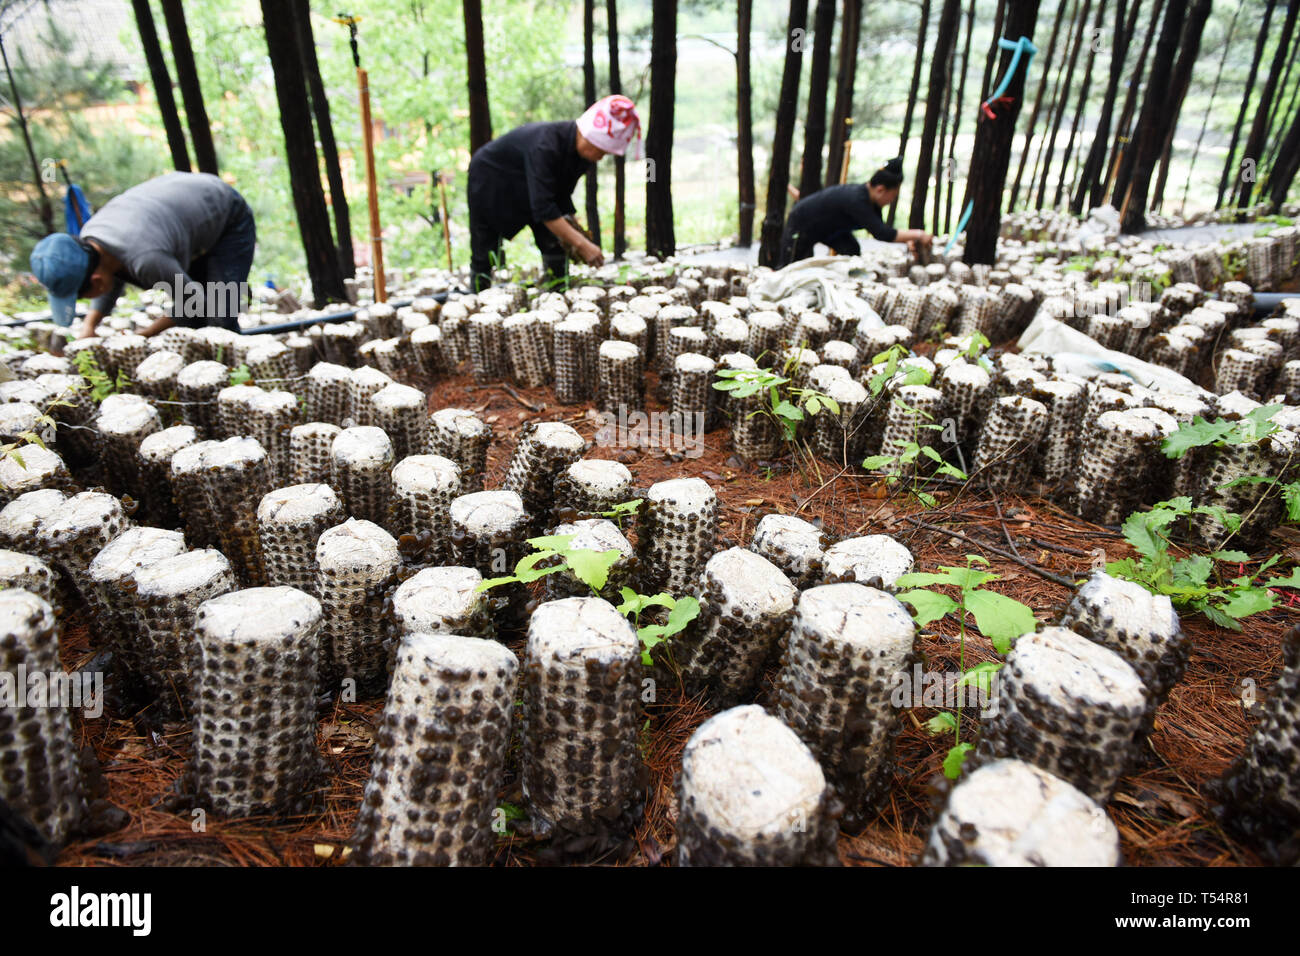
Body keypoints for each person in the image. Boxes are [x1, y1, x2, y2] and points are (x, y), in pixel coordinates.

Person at [29, 171, 257, 341]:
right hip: (183, 217)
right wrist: (89, 326)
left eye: (84, 295)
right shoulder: (94, 240)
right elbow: (111, 274)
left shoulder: (147, 259)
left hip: (226, 214)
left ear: (95, 282)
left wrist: (146, 334)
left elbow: (195, 304)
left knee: (219, 320)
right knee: (196, 321)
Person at [467, 95, 641, 292]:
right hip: (490, 179)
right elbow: (544, 208)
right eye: (600, 150)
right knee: (485, 248)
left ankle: (557, 291)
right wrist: (582, 244)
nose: (601, 157)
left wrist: (573, 230)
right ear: (588, 136)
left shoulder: (581, 157)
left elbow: (560, 197)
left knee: (554, 241)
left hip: (532, 188)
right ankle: (478, 297)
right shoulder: (546, 145)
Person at [777, 157, 933, 267]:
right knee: (790, 266)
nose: (891, 201)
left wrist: (908, 239)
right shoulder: (857, 200)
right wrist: (918, 234)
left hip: (831, 230)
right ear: (880, 190)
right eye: (892, 196)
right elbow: (883, 233)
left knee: (851, 251)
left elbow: (881, 229)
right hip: (802, 221)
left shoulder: (871, 202)